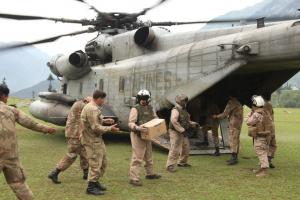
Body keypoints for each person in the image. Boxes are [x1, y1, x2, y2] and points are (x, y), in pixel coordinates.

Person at [0, 84, 56, 200]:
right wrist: (47, 129)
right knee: (19, 184)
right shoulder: (12, 110)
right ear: (4, 96)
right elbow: (30, 123)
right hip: (10, 156)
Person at [80, 90, 119, 195]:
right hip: (92, 141)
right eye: (103, 99)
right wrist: (110, 128)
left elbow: (96, 120)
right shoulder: (92, 109)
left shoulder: (92, 107)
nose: (104, 102)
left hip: (96, 140)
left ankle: (95, 181)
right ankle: (91, 187)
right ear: (99, 99)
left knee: (103, 163)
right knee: (95, 164)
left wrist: (106, 120)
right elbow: (95, 128)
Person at [48, 96, 92, 184]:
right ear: (87, 100)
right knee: (72, 154)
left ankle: (86, 173)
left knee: (84, 152)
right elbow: (81, 121)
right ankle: (55, 172)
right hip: (74, 134)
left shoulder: (80, 104)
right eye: (91, 102)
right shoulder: (81, 105)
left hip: (75, 133)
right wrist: (81, 133)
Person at [128, 89, 161, 186]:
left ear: (148, 99)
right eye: (141, 98)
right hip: (137, 135)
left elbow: (155, 118)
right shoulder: (135, 108)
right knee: (138, 157)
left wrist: (158, 123)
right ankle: (134, 178)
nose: (143, 100)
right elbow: (131, 122)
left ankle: (149, 173)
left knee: (148, 155)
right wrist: (137, 128)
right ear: (138, 99)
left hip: (148, 134)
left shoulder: (150, 108)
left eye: (145, 98)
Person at [166, 94, 198, 172]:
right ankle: (170, 165)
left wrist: (192, 123)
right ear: (180, 101)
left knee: (186, 147)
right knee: (175, 149)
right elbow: (174, 121)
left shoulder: (184, 110)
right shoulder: (175, 109)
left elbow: (185, 121)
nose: (186, 102)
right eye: (184, 101)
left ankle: (182, 162)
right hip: (175, 131)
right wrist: (181, 130)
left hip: (182, 131)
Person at [246, 95, 273, 177]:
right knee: (262, 152)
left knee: (261, 153)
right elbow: (270, 122)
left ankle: (264, 171)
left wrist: (249, 114)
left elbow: (248, 122)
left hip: (260, 137)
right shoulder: (266, 112)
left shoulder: (256, 114)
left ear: (255, 105)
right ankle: (261, 169)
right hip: (266, 136)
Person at [213, 96, 243, 165]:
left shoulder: (231, 102)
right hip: (238, 123)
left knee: (233, 139)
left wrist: (216, 116)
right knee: (236, 139)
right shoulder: (238, 102)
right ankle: (235, 157)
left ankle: (234, 158)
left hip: (233, 123)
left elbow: (225, 114)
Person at [263, 95, 277, 168]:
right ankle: (267, 161)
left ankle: (268, 161)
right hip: (269, 128)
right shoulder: (268, 104)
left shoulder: (264, 104)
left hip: (269, 128)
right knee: (271, 144)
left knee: (270, 144)